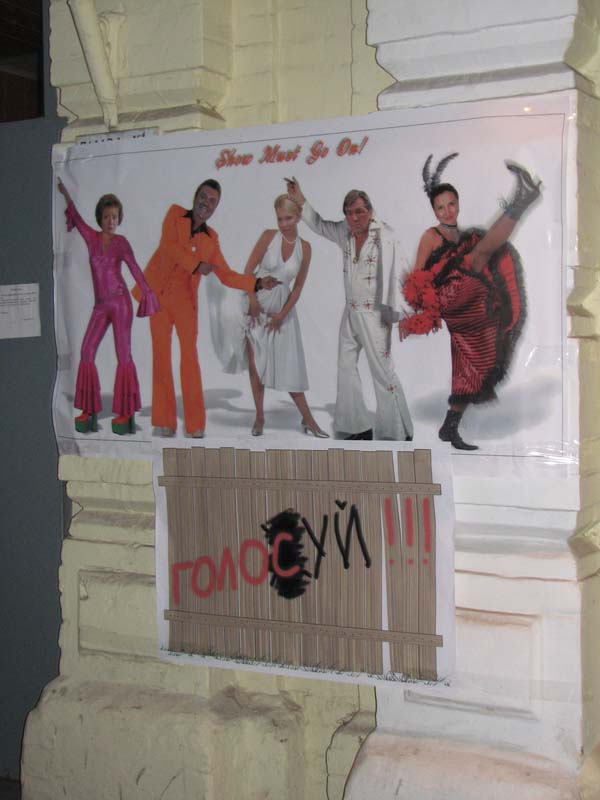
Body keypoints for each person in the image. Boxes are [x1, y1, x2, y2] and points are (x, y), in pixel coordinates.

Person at [401, 154, 540, 449]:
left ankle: (449, 427)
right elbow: (417, 277)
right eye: (440, 207)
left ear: (458, 204)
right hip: (447, 294)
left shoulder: (463, 236)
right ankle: (521, 199)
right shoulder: (430, 235)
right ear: (434, 211)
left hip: (466, 301)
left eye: (451, 204)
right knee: (479, 256)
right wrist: (419, 312)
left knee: (473, 359)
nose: (447, 211)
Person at [133, 180, 278, 437]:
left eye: (212, 201)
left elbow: (226, 275)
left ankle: (195, 424)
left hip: (185, 302)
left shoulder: (212, 240)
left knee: (189, 358)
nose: (206, 203)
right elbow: (169, 246)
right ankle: (164, 421)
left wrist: (256, 283)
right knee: (161, 356)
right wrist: (197, 265)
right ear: (195, 196)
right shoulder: (174, 214)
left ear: (216, 207)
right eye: (203, 196)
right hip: (157, 297)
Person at [285, 177, 413, 441]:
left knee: (382, 371)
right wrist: (300, 199)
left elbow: (401, 273)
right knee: (345, 367)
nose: (354, 218)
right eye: (349, 213)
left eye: (359, 212)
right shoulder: (344, 232)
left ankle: (397, 432)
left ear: (370, 211)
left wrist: (404, 315)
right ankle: (357, 427)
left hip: (375, 314)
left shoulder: (386, 237)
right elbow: (319, 224)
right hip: (351, 312)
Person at [57, 179, 159, 435]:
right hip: (101, 306)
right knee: (86, 351)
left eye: (114, 217)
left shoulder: (121, 242)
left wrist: (147, 293)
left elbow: (134, 269)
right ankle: (89, 409)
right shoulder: (90, 237)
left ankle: (125, 412)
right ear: (100, 218)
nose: (111, 221)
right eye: (106, 216)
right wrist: (65, 193)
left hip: (121, 303)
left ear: (119, 219)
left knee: (123, 355)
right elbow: (76, 217)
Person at [228, 195, 328, 437]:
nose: (283, 224)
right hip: (257, 306)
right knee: (256, 365)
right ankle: (259, 416)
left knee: (291, 369)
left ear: (298, 217)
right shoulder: (268, 237)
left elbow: (298, 287)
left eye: (288, 218)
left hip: (283, 313)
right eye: (279, 218)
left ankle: (309, 420)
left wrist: (282, 315)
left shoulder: (305, 248)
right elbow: (247, 271)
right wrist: (252, 302)